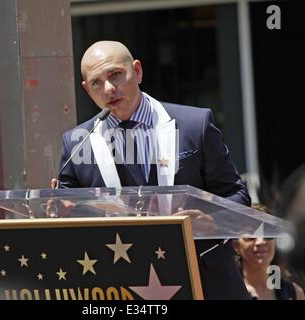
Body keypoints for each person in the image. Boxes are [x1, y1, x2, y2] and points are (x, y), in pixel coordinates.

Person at [56, 40, 251, 299]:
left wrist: (213, 221)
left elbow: (237, 195)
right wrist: (59, 211)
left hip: (206, 279)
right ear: (86, 90)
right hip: (124, 286)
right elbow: (64, 216)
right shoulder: (76, 143)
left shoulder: (194, 125)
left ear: (137, 71)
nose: (109, 88)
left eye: (116, 74)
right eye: (96, 83)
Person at [233, 203, 305, 300]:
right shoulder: (226, 292)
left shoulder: (295, 293)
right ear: (236, 246)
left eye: (268, 233)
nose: (260, 241)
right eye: (251, 236)